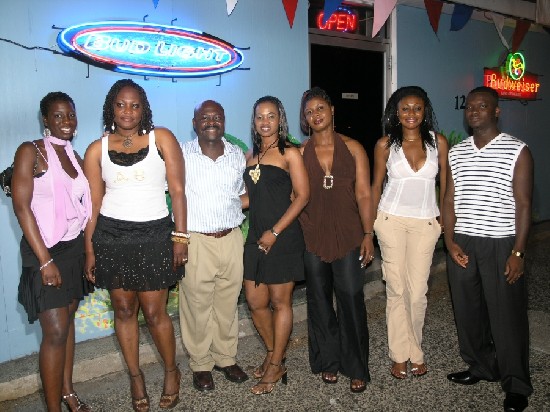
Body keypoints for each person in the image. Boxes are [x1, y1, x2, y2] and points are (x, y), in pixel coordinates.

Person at [83, 79, 186, 412]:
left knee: (156, 314)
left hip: (155, 234)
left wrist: (180, 237)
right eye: (120, 105)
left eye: (134, 105)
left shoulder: (163, 139)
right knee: (124, 311)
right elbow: (92, 206)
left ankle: (172, 372)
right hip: (111, 237)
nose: (127, 111)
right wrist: (89, 249)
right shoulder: (96, 149)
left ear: (144, 108)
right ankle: (135, 376)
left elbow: (179, 192)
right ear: (111, 107)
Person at [443, 86, 534, 412]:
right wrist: (450, 241)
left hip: (501, 243)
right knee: (468, 312)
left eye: (482, 106)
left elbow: (524, 205)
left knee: (506, 316)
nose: (474, 111)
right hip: (464, 242)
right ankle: (481, 366)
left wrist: (519, 252)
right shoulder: (457, 152)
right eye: (470, 107)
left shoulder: (517, 150)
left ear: (496, 111)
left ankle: (517, 384)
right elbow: (450, 200)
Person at [11, 92, 93, 412]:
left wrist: (89, 253)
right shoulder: (30, 151)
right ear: (45, 119)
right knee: (55, 331)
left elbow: (85, 207)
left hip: (73, 248)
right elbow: (21, 207)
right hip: (43, 250)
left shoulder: (75, 156)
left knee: (67, 324)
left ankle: (68, 392)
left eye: (70, 115)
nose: (66, 121)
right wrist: (45, 260)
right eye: (58, 116)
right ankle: (53, 407)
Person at [298, 87, 374, 393]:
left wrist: (368, 233)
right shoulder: (300, 152)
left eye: (320, 109)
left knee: (352, 298)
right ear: (305, 119)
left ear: (332, 111)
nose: (315, 115)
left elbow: (365, 193)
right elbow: (294, 194)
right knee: (318, 301)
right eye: (309, 112)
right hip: (313, 235)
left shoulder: (354, 148)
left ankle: (355, 365)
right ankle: (327, 361)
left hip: (349, 235)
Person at [371, 86, 448, 379]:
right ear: (396, 112)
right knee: (396, 289)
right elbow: (376, 186)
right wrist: (370, 228)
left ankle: (416, 348)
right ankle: (401, 355)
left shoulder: (438, 143)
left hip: (425, 224)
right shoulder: (384, 145)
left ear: (425, 111)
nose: (411, 114)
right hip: (391, 221)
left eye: (417, 108)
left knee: (417, 293)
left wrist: (442, 222)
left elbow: (445, 185)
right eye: (405, 108)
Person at [179, 100, 249, 392]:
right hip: (196, 240)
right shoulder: (180, 154)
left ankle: (225, 358)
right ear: (195, 123)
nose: (211, 121)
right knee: (196, 306)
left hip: (231, 238)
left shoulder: (237, 156)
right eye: (204, 117)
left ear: (224, 121)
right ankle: (201, 364)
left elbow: (243, 195)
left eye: (217, 117)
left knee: (227, 303)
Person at [243, 96, 309, 395]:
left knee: (281, 302)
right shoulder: (251, 155)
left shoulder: (290, 153)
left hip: (282, 237)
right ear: (254, 121)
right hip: (255, 236)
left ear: (279, 119)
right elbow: (252, 198)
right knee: (256, 302)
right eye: (260, 117)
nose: (265, 121)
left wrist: (275, 231)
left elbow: (303, 196)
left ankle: (274, 364)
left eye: (271, 116)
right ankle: (274, 354)